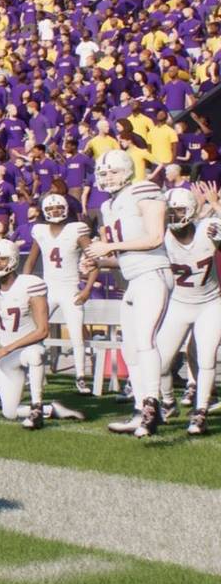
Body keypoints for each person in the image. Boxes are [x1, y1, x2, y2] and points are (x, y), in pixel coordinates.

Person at [85, 150, 173, 438]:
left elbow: (155, 237)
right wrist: (98, 260)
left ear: (126, 170)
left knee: (146, 341)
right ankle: (139, 407)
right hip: (134, 278)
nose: (106, 177)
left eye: (111, 172)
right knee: (131, 349)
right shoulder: (110, 205)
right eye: (102, 173)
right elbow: (122, 255)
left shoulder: (143, 190)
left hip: (153, 273)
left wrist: (108, 248)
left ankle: (153, 405)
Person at [0, 239, 85, 428]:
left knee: (35, 353)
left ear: (13, 260)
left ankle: (36, 408)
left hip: (27, 348)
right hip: (7, 358)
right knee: (9, 413)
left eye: (1, 260)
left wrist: (8, 347)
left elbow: (42, 330)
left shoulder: (30, 284)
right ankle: (52, 409)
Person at [154, 185, 219, 435]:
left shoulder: (208, 230)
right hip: (179, 304)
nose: (172, 217)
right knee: (159, 362)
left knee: (206, 358)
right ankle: (168, 402)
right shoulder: (161, 238)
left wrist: (216, 208)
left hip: (210, 303)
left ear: (191, 210)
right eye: (169, 212)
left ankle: (200, 411)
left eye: (178, 210)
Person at [22, 193, 96, 393]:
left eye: (58, 208)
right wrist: (23, 287)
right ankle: (34, 373)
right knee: (36, 333)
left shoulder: (76, 230)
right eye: (51, 209)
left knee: (76, 335)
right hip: (48, 290)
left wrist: (87, 288)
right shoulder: (40, 231)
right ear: (45, 212)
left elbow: (94, 258)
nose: (55, 212)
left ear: (65, 209)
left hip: (70, 289)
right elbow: (30, 261)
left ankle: (80, 377)